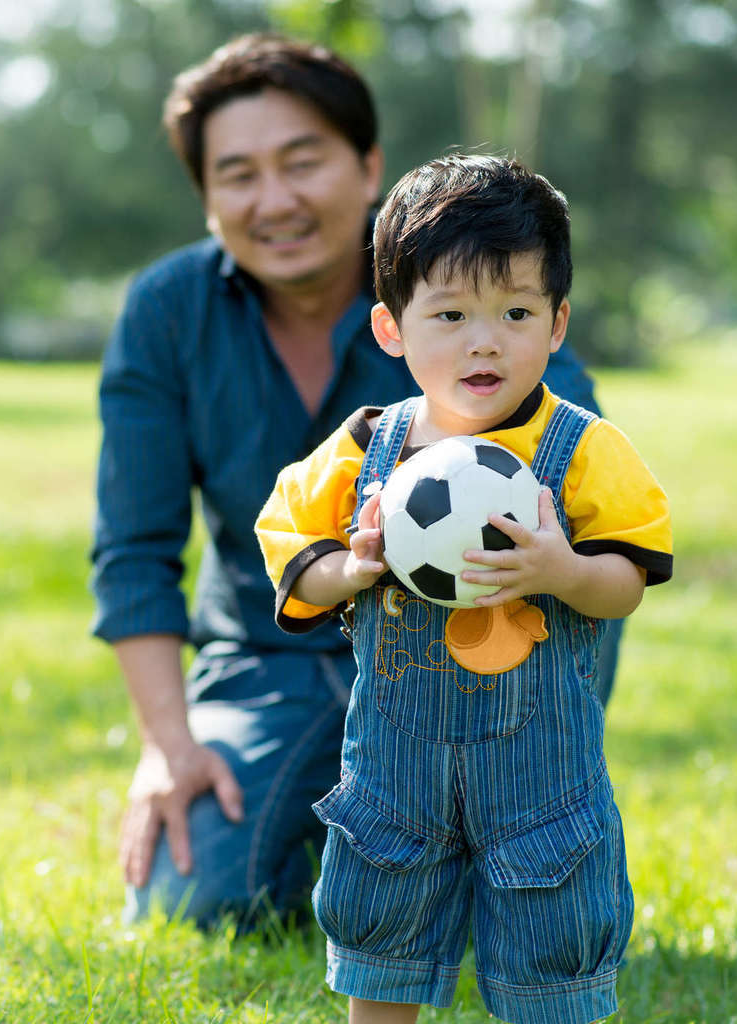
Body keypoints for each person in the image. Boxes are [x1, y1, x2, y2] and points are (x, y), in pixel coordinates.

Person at [90, 33, 616, 932]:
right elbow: (134, 552)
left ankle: (499, 815)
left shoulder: (467, 290)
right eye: (239, 174)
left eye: (303, 162)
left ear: (367, 165)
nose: (276, 199)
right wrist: (167, 748)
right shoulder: (167, 310)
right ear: (208, 197)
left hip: (470, 649)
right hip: (269, 661)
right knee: (196, 900)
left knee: (505, 898)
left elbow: (576, 474)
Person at [255, 153, 672, 1023]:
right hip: (395, 772)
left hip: (542, 778)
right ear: (391, 328)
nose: (484, 341)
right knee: (381, 932)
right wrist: (355, 565)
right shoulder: (368, 447)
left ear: (557, 324)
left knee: (551, 936)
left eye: (515, 312)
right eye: (449, 314)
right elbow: (293, 547)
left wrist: (563, 570)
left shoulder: (585, 449)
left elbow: (624, 582)